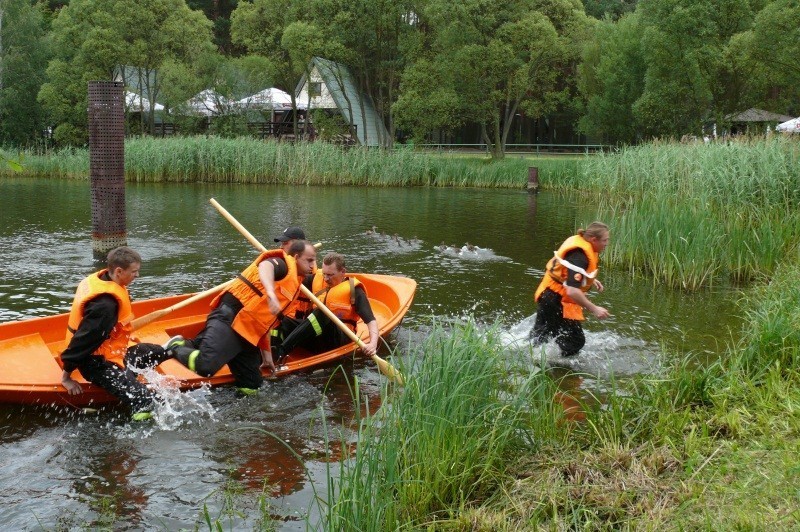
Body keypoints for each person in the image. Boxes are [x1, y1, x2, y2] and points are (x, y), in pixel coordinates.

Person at [165, 240, 317, 394]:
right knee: (205, 366)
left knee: (251, 385)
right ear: (296, 257)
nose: (313, 264)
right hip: (232, 316)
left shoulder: (295, 283)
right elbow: (266, 266)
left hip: (247, 331)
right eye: (309, 260)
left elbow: (264, 323)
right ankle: (176, 346)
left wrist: (267, 357)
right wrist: (270, 292)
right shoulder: (283, 264)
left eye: (314, 260)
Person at [60, 246, 171, 421]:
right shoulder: (105, 306)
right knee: (145, 401)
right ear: (118, 271)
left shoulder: (104, 278)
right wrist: (66, 376)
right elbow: (83, 341)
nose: (137, 275)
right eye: (134, 272)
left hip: (112, 352)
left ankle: (176, 349)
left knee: (157, 351)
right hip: (95, 364)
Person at [270, 252, 379, 364]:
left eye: (330, 275)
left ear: (343, 272)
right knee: (279, 318)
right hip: (315, 338)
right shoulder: (316, 279)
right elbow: (294, 279)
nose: (326, 279)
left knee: (323, 312)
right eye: (324, 274)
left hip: (336, 341)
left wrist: (373, 344)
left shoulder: (354, 291)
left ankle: (282, 350)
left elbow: (371, 321)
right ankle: (271, 352)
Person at [531, 222, 611, 357]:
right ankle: (558, 368)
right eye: (605, 240)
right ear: (593, 240)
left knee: (542, 334)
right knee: (575, 340)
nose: (606, 244)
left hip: (548, 293)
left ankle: (533, 359)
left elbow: (568, 273)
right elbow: (572, 291)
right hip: (554, 298)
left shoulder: (581, 247)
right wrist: (594, 309)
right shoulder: (580, 256)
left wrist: (591, 280)